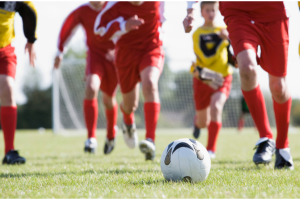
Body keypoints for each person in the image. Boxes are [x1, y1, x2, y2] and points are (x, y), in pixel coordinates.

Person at [217, 1, 295, 169]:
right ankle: (265, 138)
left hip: (274, 11)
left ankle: (282, 146)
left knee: (278, 87)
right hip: (237, 11)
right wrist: (190, 7)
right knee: (247, 69)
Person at [94, 1, 165, 160]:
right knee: (129, 105)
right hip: (126, 54)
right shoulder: (115, 4)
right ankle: (127, 121)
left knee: (150, 84)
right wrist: (123, 25)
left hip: (151, 47)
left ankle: (150, 141)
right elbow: (98, 30)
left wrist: (190, 11)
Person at [54, 1, 119, 155]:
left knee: (109, 100)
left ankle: (111, 134)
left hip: (114, 58)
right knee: (91, 87)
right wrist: (60, 51)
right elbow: (67, 28)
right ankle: (91, 138)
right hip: (94, 57)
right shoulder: (82, 12)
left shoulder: (115, 6)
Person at [190, 1, 233, 159]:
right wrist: (208, 77)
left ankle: (210, 150)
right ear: (201, 12)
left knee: (216, 106)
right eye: (207, 10)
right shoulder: (197, 33)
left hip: (222, 78)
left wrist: (230, 40)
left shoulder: (226, 31)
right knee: (203, 122)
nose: (211, 13)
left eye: (213, 10)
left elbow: (236, 55)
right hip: (202, 79)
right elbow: (204, 58)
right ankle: (197, 122)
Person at [0, 1, 37, 164]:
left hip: (4, 50)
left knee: (8, 89)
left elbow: (28, 11)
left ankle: (9, 152)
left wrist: (31, 39)